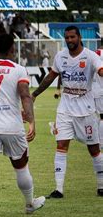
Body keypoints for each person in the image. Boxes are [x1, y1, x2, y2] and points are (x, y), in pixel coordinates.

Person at [0, 33, 45, 217]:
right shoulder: (18, 69)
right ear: (13, 49)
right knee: (21, 166)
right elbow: (24, 95)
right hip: (12, 125)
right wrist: (31, 120)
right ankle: (30, 203)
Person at [32, 26, 103, 198]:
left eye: (72, 37)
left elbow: (100, 70)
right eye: (67, 37)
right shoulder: (61, 56)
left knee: (93, 148)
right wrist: (34, 94)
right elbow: (51, 77)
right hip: (65, 108)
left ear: (79, 37)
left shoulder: (90, 56)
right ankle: (59, 189)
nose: (69, 40)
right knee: (61, 145)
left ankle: (101, 186)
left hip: (86, 108)